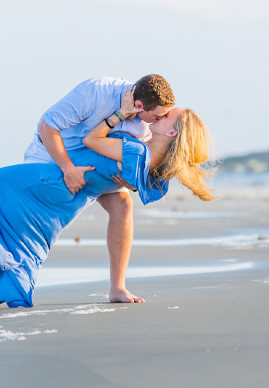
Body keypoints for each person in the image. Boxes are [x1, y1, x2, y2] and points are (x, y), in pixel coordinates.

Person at [0, 87, 213, 308]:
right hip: (71, 190)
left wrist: (116, 117)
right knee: (12, 229)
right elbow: (138, 184)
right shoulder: (149, 159)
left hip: (56, 178)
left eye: (165, 117)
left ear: (172, 132)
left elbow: (92, 141)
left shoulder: (138, 152)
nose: (158, 118)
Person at [24, 74, 176, 303]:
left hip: (95, 164)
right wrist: (68, 168)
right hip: (51, 157)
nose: (161, 119)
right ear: (139, 105)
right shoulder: (96, 92)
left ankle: (118, 288)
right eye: (157, 115)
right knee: (27, 220)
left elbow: (135, 156)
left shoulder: (146, 123)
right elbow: (47, 127)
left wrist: (132, 182)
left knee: (123, 205)